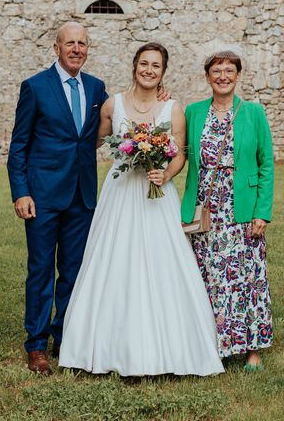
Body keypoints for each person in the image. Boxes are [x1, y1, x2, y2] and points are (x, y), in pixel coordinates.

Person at [59, 43, 224, 376]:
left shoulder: (172, 108)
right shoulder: (112, 105)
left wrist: (165, 173)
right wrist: (127, 154)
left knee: (162, 264)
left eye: (157, 66)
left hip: (156, 195)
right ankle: (100, 345)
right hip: (120, 193)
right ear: (134, 66)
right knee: (112, 260)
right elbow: (97, 142)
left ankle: (167, 350)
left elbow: (180, 153)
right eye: (144, 64)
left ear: (164, 72)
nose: (149, 70)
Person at [6, 22, 108, 375]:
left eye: (82, 43)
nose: (76, 49)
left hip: (82, 196)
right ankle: (35, 344)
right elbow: (18, 145)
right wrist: (21, 192)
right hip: (43, 196)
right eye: (70, 43)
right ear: (56, 47)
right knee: (41, 270)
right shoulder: (35, 87)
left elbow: (120, 116)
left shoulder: (96, 88)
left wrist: (156, 96)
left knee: (74, 272)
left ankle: (65, 336)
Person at [181, 51, 274, 371]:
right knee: (207, 277)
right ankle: (210, 344)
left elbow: (266, 164)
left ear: (238, 75)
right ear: (207, 77)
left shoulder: (253, 113)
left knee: (247, 278)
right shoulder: (192, 112)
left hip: (242, 210)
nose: (223, 76)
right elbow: (177, 145)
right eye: (216, 71)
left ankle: (252, 348)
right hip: (205, 209)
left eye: (229, 70)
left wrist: (262, 211)